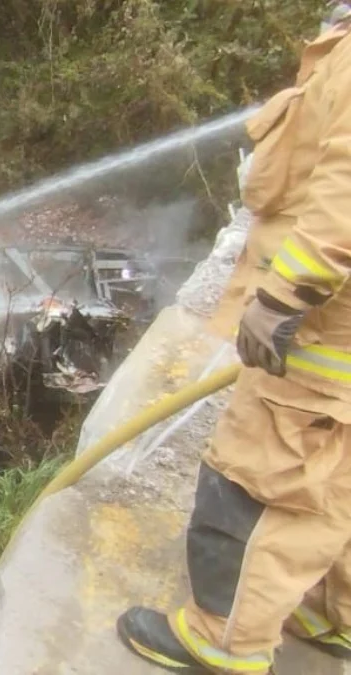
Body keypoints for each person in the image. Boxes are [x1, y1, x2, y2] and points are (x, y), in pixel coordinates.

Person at [116, 6, 351, 673]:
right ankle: (329, 613)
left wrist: (282, 296)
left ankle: (224, 636)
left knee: (257, 477)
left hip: (320, 334)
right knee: (331, 481)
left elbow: (344, 198)